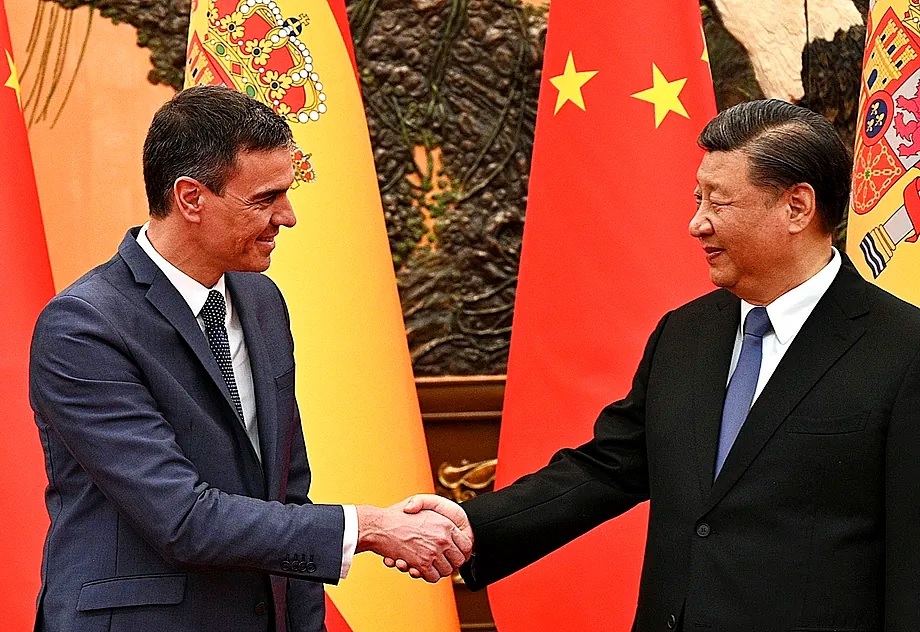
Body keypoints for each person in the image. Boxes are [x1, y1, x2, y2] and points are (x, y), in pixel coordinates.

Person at [395, 99, 920, 630]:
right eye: (698, 198)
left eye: (720, 202)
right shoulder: (686, 333)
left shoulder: (903, 350)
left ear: (797, 207)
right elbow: (608, 468)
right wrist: (470, 527)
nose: (697, 223)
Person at [29, 85, 471, 632]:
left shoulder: (262, 302)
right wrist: (370, 527)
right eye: (265, 199)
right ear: (191, 198)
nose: (287, 217)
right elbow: (181, 517)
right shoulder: (84, 327)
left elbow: (288, 494)